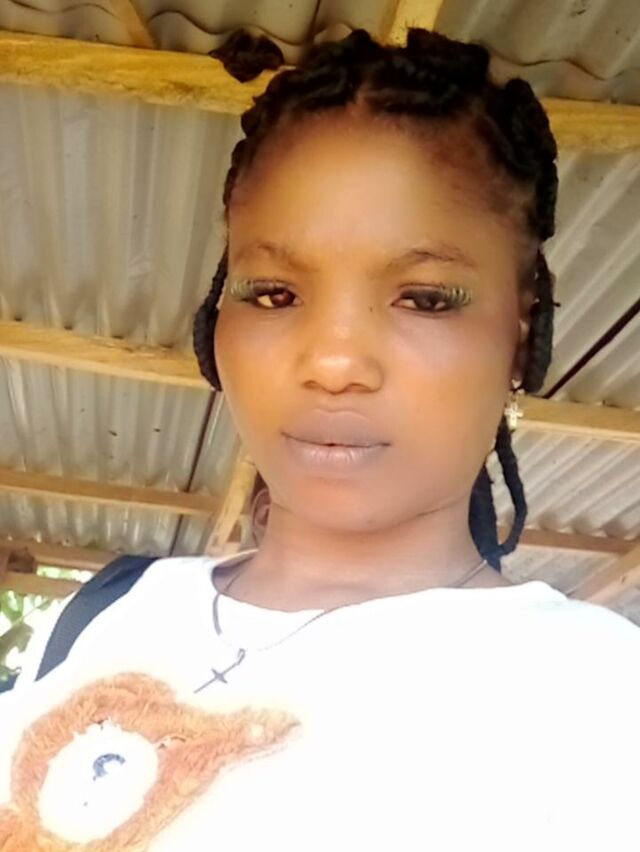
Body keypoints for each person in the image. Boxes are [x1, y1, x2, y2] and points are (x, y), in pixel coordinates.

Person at [1, 27, 639, 851]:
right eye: (273, 293)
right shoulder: (105, 612)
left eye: (425, 298)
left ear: (521, 334)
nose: (335, 363)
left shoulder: (598, 699)